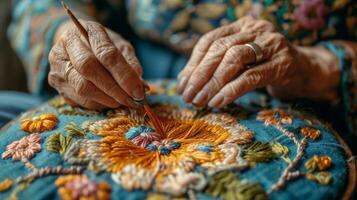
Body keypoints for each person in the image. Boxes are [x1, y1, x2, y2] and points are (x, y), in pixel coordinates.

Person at [3, 0, 357, 138]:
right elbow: (46, 4)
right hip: (124, 85)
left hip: (300, 94)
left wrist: (317, 68)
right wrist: (70, 34)